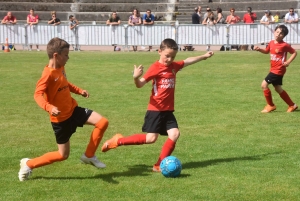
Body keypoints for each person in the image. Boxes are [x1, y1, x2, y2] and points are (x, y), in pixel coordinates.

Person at [101, 38, 214, 172]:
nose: (169, 59)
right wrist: (136, 77)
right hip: (156, 109)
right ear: (159, 51)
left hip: (168, 110)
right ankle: (118, 141)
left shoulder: (173, 67)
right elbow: (140, 84)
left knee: (175, 134)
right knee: (151, 139)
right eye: (167, 56)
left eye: (172, 57)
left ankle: (159, 165)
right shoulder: (155, 67)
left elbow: (187, 61)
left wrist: (203, 56)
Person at [18, 37, 109, 181]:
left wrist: (79, 90)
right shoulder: (47, 75)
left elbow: (65, 83)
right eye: (66, 54)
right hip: (60, 120)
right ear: (56, 55)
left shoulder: (60, 68)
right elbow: (37, 95)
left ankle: (89, 155)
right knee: (62, 155)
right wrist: (49, 107)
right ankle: (28, 163)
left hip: (73, 110)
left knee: (102, 122)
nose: (68, 57)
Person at [254, 25, 298, 113]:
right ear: (274, 32)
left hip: (278, 70)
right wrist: (259, 49)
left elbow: (294, 52)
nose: (278, 34)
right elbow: (267, 51)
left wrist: (288, 62)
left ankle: (270, 105)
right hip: (273, 69)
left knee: (264, 85)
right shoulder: (271, 43)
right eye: (277, 32)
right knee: (278, 88)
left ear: (284, 36)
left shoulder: (284, 45)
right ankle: (292, 105)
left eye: (281, 33)